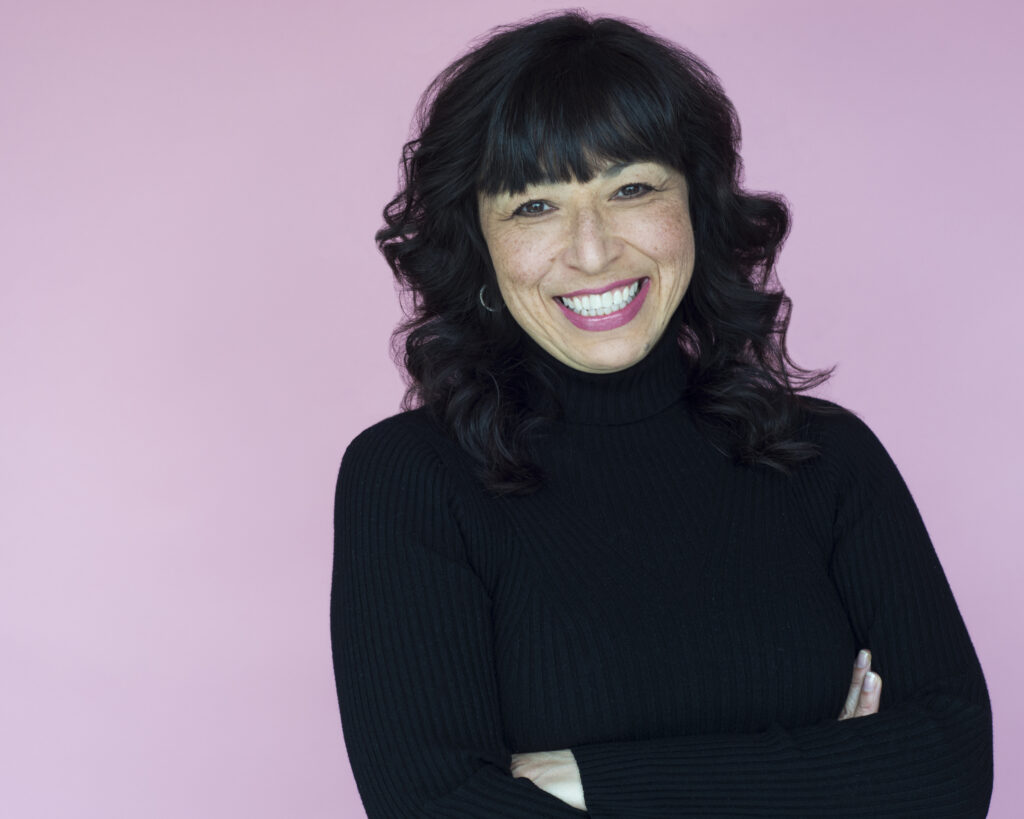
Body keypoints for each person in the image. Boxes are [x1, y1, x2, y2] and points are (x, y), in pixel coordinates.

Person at [330, 11, 993, 817]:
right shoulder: (412, 481)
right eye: (533, 206)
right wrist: (832, 775)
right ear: (479, 242)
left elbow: (950, 770)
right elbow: (434, 805)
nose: (592, 251)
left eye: (631, 188)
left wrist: (591, 782)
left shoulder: (827, 456)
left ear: (696, 207)